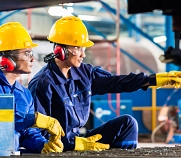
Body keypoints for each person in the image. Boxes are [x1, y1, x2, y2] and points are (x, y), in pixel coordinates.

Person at [28, 16, 181, 152]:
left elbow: (117, 82)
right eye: (78, 48)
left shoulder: (85, 73)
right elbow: (39, 135)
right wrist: (74, 144)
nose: (83, 54)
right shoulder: (43, 83)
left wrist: (153, 80)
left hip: (80, 140)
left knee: (127, 123)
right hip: (59, 146)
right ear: (61, 51)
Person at [0, 22, 64, 153]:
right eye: (27, 53)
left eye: (32, 53)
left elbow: (26, 133)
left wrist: (43, 145)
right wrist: (34, 119)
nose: (32, 59)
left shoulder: (24, 94)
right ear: (5, 59)